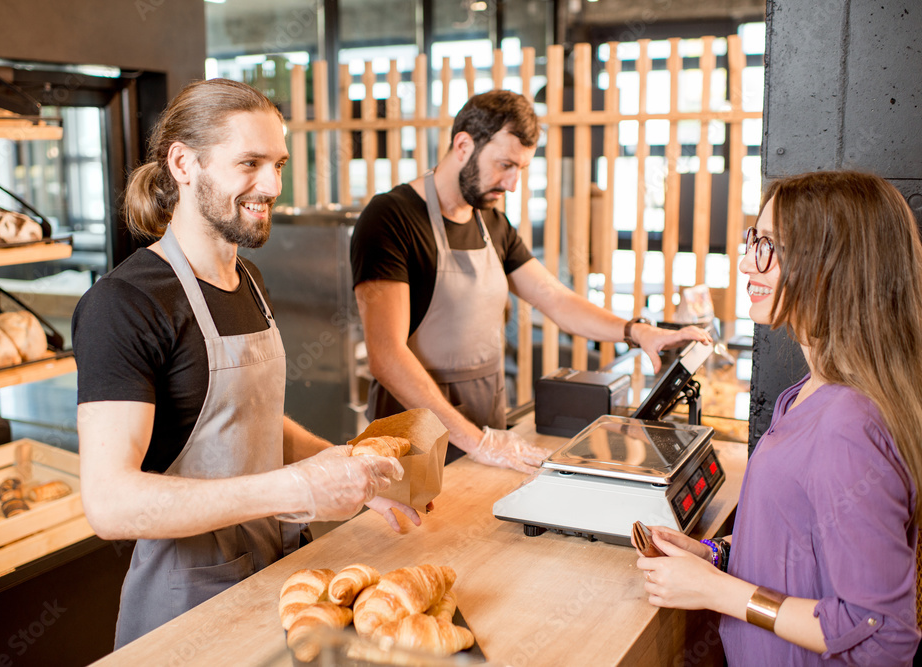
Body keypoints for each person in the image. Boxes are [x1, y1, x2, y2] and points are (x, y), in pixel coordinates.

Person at [73, 79, 415, 648]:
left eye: (278, 164)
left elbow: (247, 421)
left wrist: (349, 469)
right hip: (187, 613)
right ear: (183, 163)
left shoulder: (248, 281)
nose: (273, 185)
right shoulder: (125, 304)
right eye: (250, 163)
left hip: (279, 580)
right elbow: (110, 504)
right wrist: (297, 490)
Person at [636, 171, 922, 665]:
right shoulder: (806, 393)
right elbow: (804, 552)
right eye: (753, 240)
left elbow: (881, 634)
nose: (748, 261)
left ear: (835, 265)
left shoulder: (849, 423)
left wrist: (717, 592)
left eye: (768, 246)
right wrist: (716, 555)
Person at [351, 90, 710, 473]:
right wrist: (479, 442)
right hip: (414, 438)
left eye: (520, 169)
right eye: (504, 165)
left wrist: (637, 332)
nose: (512, 185)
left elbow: (553, 297)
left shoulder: (491, 223)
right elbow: (386, 357)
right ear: (462, 145)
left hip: (483, 428)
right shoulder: (389, 219)